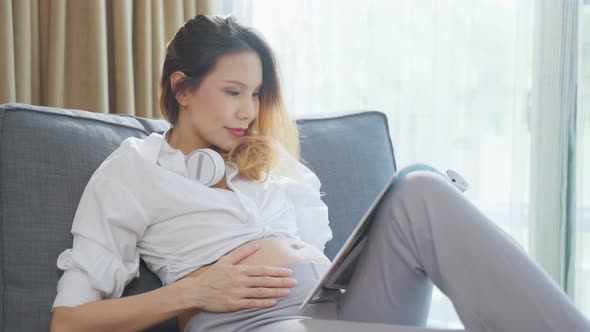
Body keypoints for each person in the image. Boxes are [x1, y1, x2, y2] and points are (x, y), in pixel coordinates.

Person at [50, 14, 590, 332]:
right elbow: (68, 321)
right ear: (183, 88)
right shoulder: (133, 170)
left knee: (420, 187)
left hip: (338, 314)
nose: (247, 111)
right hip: (254, 327)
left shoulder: (270, 162)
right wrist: (196, 290)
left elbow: (326, 264)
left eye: (256, 95)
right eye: (233, 92)